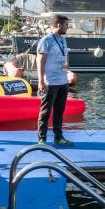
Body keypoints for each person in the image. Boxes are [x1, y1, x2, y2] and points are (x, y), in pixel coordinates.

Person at [36, 15, 76, 146]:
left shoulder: (63, 40)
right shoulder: (46, 40)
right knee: (46, 111)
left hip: (62, 81)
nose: (67, 27)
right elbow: (40, 62)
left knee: (59, 112)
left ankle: (58, 137)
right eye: (66, 25)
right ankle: (42, 139)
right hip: (50, 82)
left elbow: (66, 55)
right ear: (59, 25)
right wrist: (41, 81)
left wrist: (67, 68)